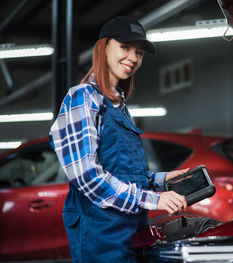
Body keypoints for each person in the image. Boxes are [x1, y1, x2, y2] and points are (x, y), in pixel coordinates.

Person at [49, 16, 188, 263]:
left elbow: (122, 172)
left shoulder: (118, 104)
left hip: (132, 228)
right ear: (103, 48)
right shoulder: (82, 98)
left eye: (140, 53)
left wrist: (162, 179)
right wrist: (153, 199)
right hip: (100, 232)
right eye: (125, 47)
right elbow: (88, 177)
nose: (134, 58)